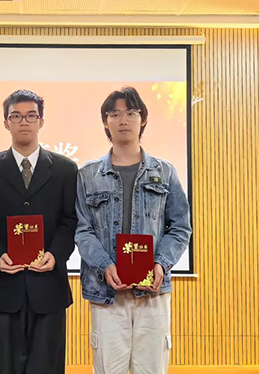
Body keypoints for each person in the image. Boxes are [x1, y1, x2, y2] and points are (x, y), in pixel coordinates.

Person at [75, 86, 192, 374]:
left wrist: (161, 264)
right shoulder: (88, 175)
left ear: (143, 119)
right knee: (109, 369)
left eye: (131, 112)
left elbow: (180, 227)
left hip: (152, 292)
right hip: (106, 292)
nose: (123, 120)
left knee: (151, 369)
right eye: (114, 114)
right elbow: (82, 230)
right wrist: (105, 266)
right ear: (106, 122)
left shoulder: (165, 172)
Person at [0, 89, 78, 374]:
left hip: (49, 286)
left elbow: (70, 221)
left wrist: (56, 255)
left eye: (31, 116)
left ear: (41, 121)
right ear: (6, 122)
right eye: (16, 116)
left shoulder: (66, 169)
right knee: (2, 366)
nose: (24, 122)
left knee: (47, 367)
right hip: (4, 286)